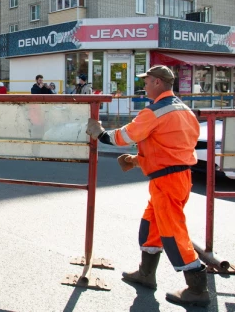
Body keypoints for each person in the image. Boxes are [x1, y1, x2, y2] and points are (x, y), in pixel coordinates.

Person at [86, 65, 209, 307]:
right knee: (151, 225)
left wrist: (100, 133)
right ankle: (146, 274)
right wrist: (138, 160)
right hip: (178, 178)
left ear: (159, 83)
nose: (144, 85)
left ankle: (197, 288)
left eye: (148, 80)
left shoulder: (155, 112)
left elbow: (123, 137)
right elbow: (172, 148)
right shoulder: (186, 111)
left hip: (166, 181)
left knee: (173, 232)